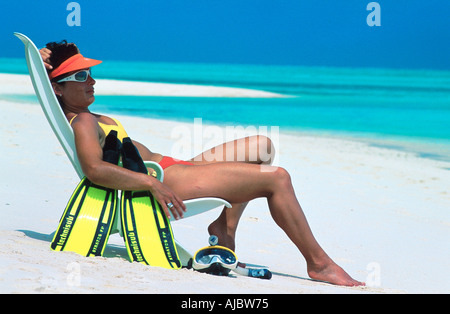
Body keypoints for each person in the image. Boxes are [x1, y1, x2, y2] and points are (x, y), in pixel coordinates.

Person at [39, 41, 364, 286]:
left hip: (176, 165)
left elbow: (60, 64)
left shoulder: (85, 114)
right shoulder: (83, 122)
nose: (91, 81)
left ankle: (225, 229)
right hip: (169, 178)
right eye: (80, 76)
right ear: (57, 86)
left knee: (263, 147)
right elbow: (94, 170)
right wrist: (153, 183)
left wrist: (47, 56)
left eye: (91, 74)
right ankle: (318, 264)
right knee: (277, 177)